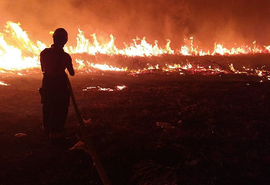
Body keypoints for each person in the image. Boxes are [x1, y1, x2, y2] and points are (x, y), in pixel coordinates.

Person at [40, 28, 75, 141]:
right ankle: (56, 134)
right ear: (65, 41)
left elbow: (43, 68)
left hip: (47, 81)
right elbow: (72, 73)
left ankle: (46, 129)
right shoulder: (65, 56)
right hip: (59, 83)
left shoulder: (44, 53)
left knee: (47, 104)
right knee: (60, 107)